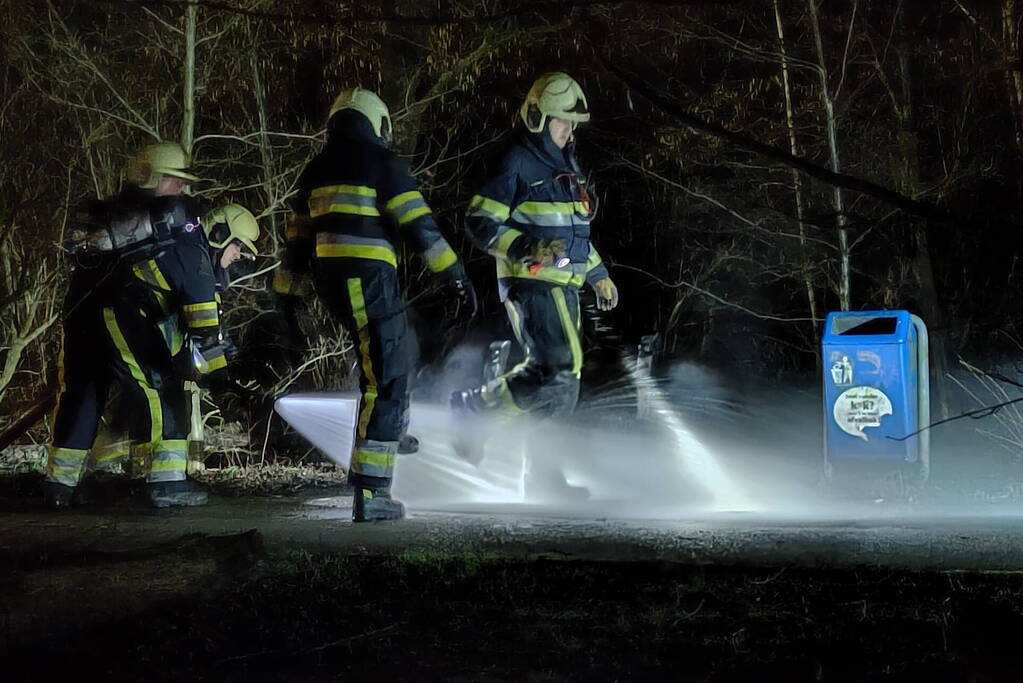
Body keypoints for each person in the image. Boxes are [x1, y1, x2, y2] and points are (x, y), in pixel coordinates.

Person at [274, 87, 476, 522]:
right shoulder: (383, 163)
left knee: (400, 347)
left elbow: (296, 243)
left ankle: (392, 427)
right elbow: (421, 227)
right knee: (384, 378)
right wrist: (456, 277)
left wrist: (286, 297)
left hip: (335, 283)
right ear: (377, 123)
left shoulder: (315, 169)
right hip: (367, 280)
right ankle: (372, 490)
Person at [451, 73, 620, 492]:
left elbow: (572, 234)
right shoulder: (516, 162)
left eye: (573, 122)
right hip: (532, 283)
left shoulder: (567, 167)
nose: (569, 129)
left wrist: (597, 274)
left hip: (564, 284)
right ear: (538, 118)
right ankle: (475, 411)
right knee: (559, 371)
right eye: (562, 120)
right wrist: (527, 247)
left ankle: (542, 476)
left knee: (558, 377)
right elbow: (479, 222)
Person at [44, 141, 230, 509]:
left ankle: (59, 486)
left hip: (81, 316)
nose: (182, 187)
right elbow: (198, 295)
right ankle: (167, 483)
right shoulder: (177, 224)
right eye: (174, 179)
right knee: (160, 389)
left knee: (82, 395)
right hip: (125, 316)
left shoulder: (111, 219)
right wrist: (216, 364)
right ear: (150, 176)